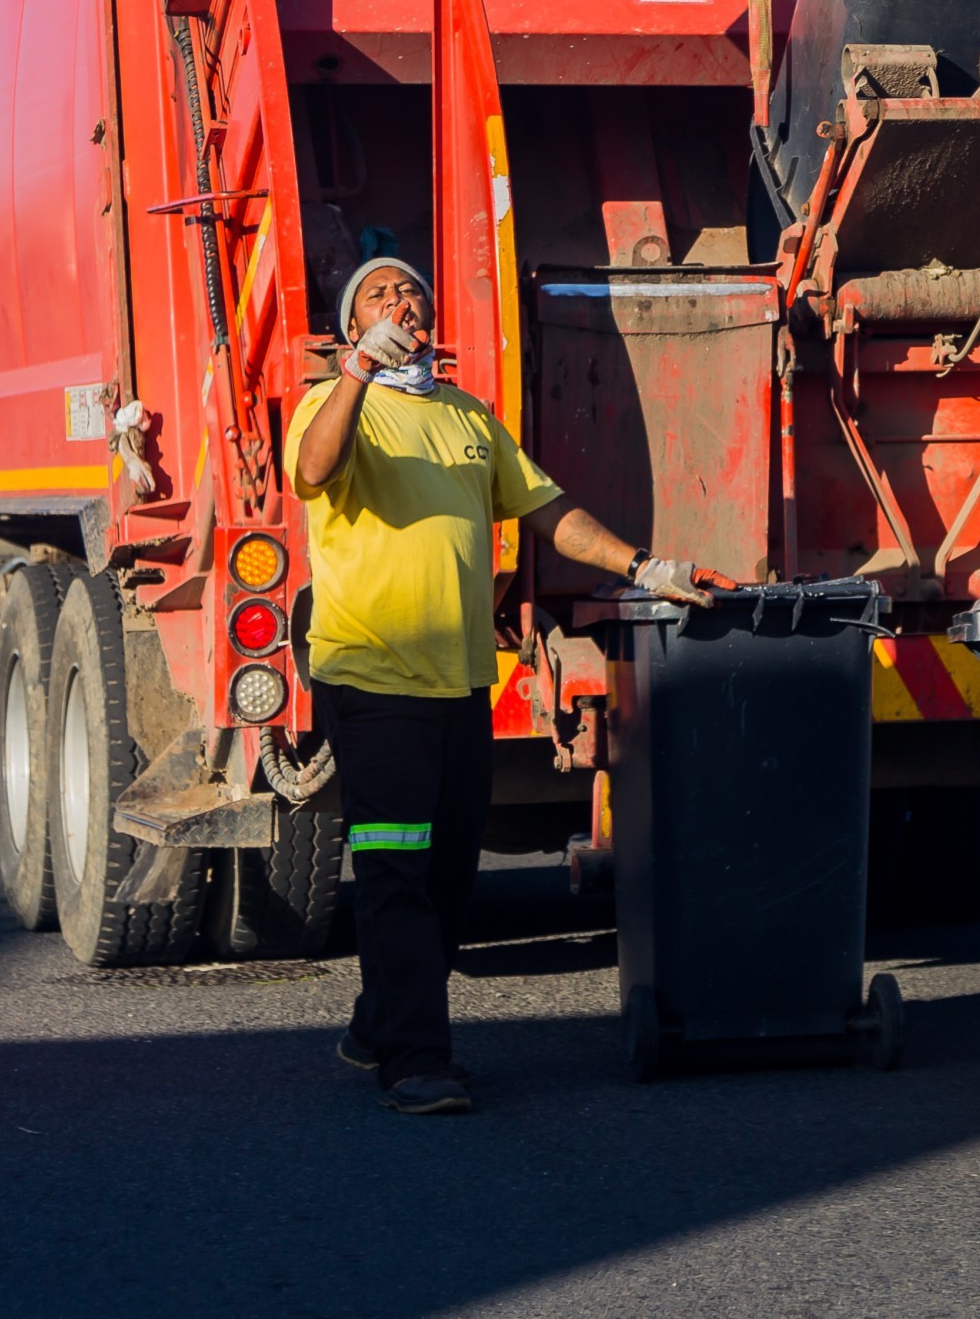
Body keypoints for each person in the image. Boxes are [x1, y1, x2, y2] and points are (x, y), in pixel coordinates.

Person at [287, 256, 723, 1115]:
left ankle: (379, 1021)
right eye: (377, 295)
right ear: (351, 327)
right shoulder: (335, 403)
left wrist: (646, 565)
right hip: (373, 683)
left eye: (408, 290)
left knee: (447, 876)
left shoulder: (467, 419)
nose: (400, 301)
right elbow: (312, 469)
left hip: (456, 686)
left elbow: (548, 511)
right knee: (395, 871)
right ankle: (416, 1062)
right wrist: (357, 374)